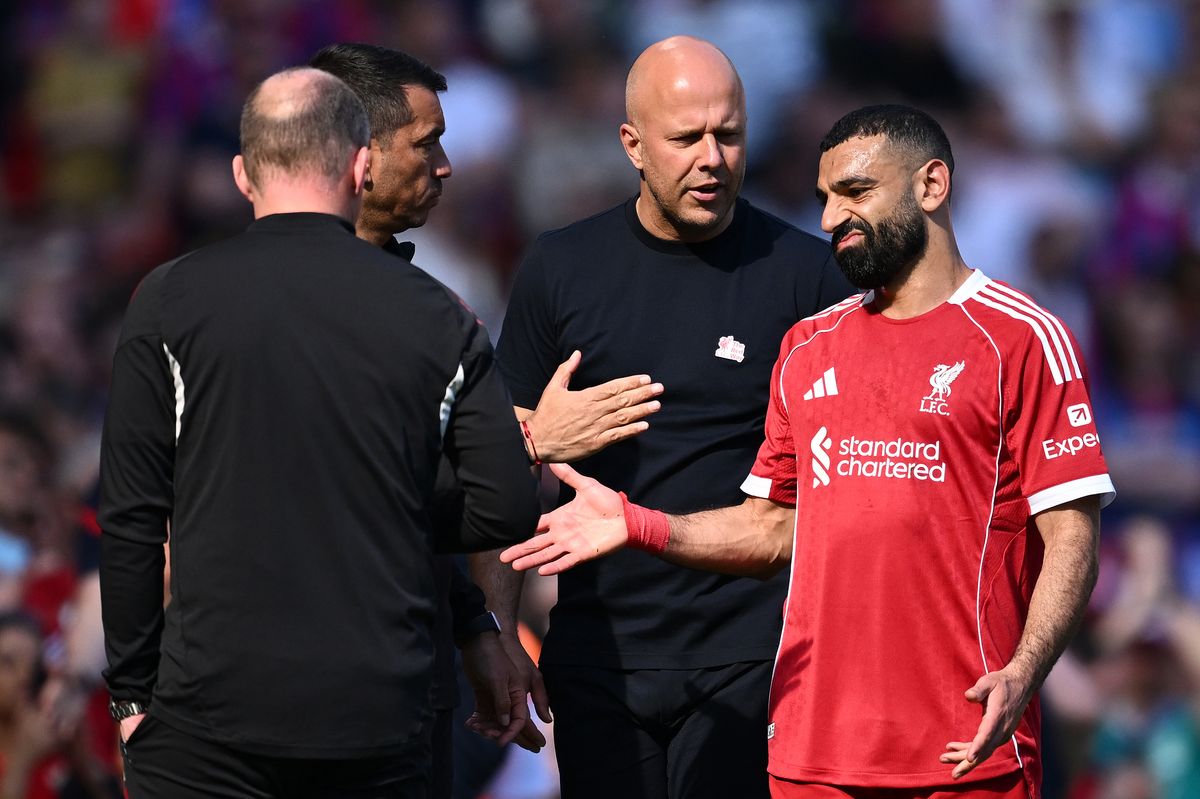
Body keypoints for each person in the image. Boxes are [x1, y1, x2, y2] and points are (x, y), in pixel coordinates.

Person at [502, 104, 1117, 799]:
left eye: (854, 193)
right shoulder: (807, 348)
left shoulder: (1024, 339)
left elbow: (1071, 535)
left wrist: (1026, 668)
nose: (829, 219)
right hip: (811, 755)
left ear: (932, 184)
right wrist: (636, 521)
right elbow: (773, 527)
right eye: (824, 198)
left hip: (964, 745)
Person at [98, 67, 538, 799]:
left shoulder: (167, 299)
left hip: (207, 720)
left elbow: (131, 517)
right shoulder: (438, 315)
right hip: (372, 717)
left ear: (243, 175)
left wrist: (131, 698)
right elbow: (504, 508)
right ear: (362, 167)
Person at [494, 35, 851, 799]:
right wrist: (498, 631)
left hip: (750, 660)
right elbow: (502, 473)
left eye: (729, 134)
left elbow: (830, 502)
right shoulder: (561, 269)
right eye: (687, 138)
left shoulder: (806, 277)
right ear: (632, 144)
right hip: (599, 658)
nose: (712, 157)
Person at [308, 42, 550, 797]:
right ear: (362, 154)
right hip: (302, 687)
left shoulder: (440, 312)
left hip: (414, 674)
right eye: (426, 142)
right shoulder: (273, 308)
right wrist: (532, 438)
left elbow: (463, 508)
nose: (445, 164)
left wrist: (488, 631)